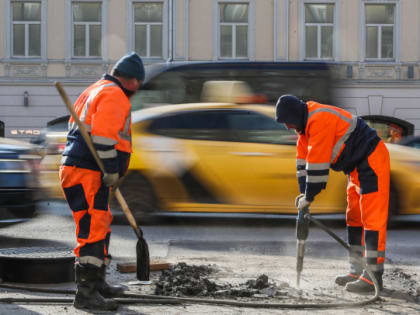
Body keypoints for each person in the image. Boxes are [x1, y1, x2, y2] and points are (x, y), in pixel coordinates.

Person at [275, 95, 390, 293]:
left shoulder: (318, 119)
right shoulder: (304, 133)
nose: (286, 126)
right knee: (354, 218)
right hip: (355, 169)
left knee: (372, 220)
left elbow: (318, 169)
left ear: (295, 115)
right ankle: (356, 270)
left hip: (372, 160)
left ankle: (373, 277)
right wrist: (304, 195)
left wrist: (309, 197)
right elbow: (303, 166)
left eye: (287, 121)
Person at [59, 52, 144, 310]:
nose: (138, 89)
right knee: (92, 229)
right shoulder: (114, 95)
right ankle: (85, 295)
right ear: (133, 81)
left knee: (100, 222)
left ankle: (98, 284)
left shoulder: (96, 88)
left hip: (81, 169)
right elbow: (105, 138)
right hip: (88, 171)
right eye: (138, 83)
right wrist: (109, 169)